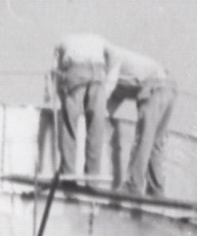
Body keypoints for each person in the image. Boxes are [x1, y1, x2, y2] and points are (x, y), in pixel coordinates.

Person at [46, 34, 117, 183]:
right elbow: (115, 57)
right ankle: (92, 180)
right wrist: (107, 84)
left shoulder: (61, 42)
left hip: (74, 73)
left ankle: (68, 176)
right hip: (98, 75)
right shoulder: (101, 40)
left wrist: (55, 92)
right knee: (95, 129)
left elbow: (54, 71)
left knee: (69, 127)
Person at [104, 43, 172, 194]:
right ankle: (156, 190)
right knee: (155, 142)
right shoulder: (121, 74)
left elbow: (106, 94)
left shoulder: (110, 61)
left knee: (143, 137)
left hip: (154, 86)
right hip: (168, 86)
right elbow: (111, 102)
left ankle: (132, 185)